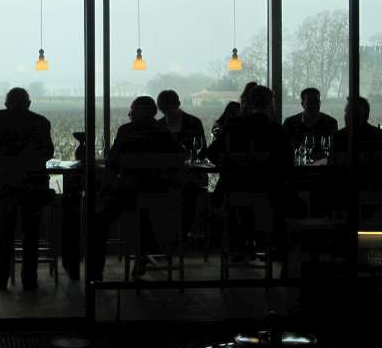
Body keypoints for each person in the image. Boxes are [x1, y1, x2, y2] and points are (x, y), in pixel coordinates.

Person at [93, 96, 183, 280]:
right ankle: (143, 253)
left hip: (129, 193)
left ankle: (96, 272)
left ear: (141, 112)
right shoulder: (165, 133)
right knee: (145, 215)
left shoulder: (126, 132)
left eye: (133, 110)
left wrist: (105, 189)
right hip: (160, 195)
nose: (129, 113)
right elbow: (178, 162)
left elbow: (113, 164)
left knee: (99, 221)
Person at [207, 85, 294, 261]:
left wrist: (231, 164)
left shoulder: (234, 126)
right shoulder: (276, 130)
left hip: (235, 189)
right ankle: (275, 246)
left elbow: (211, 153)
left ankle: (241, 244)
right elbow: (287, 162)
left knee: (241, 206)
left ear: (249, 102)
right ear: (270, 104)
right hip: (268, 191)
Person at [0, 87, 54, 291]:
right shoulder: (41, 122)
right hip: (34, 184)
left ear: (6, 104)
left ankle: (0, 279)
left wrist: (0, 175)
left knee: (5, 231)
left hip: (7, 186)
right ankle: (29, 280)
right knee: (31, 233)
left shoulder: (0, 120)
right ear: (29, 103)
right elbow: (48, 152)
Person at [157, 89, 207, 233]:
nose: (168, 113)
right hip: (182, 175)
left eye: (168, 109)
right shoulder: (193, 122)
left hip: (177, 175)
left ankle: (176, 233)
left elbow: (202, 151)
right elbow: (202, 150)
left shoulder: (159, 125)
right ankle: (180, 234)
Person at [282, 88, 338, 157]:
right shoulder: (290, 123)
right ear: (302, 104)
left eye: (316, 102)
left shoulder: (330, 123)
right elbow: (283, 149)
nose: (314, 106)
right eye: (310, 103)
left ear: (320, 103)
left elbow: (334, 150)